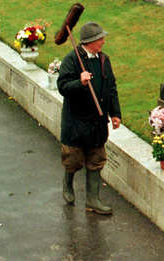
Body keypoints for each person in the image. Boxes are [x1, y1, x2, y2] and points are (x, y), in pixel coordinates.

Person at [57, 22, 121, 215]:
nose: (103, 41)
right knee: (73, 160)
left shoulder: (104, 60)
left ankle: (93, 200)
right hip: (76, 122)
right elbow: (63, 87)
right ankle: (68, 183)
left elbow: (111, 88)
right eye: (100, 38)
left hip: (97, 123)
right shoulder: (71, 60)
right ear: (90, 42)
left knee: (96, 159)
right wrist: (80, 82)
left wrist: (115, 113)